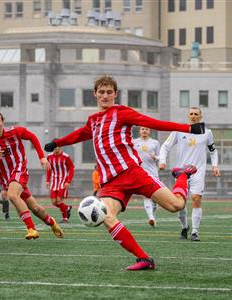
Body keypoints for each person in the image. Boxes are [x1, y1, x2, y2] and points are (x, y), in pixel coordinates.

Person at [44, 75, 205, 271]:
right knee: (107, 216)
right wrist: (57, 143)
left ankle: (182, 175)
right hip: (111, 183)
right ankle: (144, 259)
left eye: (109, 92)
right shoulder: (93, 120)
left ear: (115, 94)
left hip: (132, 173)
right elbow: (80, 134)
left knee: (176, 205)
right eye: (101, 92)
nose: (105, 96)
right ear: (95, 94)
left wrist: (188, 128)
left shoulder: (121, 113)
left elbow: (152, 123)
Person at [0, 111, 64, 239]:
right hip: (6, 179)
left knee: (12, 195)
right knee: (34, 208)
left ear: (3, 122)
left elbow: (32, 137)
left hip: (19, 169)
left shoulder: (15, 132)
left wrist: (41, 157)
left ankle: (31, 229)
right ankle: (52, 222)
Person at [159, 107, 220, 242]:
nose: (193, 116)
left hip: (198, 171)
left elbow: (213, 151)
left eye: (196, 114)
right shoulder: (179, 131)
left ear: (200, 116)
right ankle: (184, 227)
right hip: (182, 173)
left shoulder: (207, 133)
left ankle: (195, 232)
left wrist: (215, 165)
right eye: (191, 114)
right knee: (179, 203)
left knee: (196, 198)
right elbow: (165, 146)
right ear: (188, 116)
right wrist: (162, 161)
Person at [133, 127, 160, 228]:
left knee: (156, 197)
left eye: (147, 129)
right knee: (146, 195)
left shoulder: (155, 143)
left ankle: (153, 215)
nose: (144, 131)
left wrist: (156, 157)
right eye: (142, 129)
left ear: (150, 131)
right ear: (139, 131)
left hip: (153, 172)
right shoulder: (134, 142)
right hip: (140, 172)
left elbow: (160, 156)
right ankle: (151, 217)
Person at [45, 146, 74, 223]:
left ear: (60, 148)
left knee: (59, 200)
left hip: (63, 181)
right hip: (54, 181)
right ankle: (67, 208)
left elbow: (71, 168)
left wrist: (68, 181)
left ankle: (65, 218)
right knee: (54, 202)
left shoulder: (66, 157)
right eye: (54, 149)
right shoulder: (49, 157)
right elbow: (49, 169)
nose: (56, 150)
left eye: (57, 149)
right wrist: (47, 180)